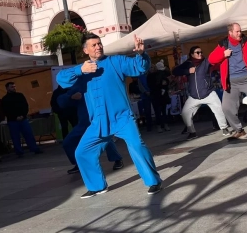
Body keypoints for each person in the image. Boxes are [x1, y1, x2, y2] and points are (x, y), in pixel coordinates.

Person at [57, 33, 162, 198]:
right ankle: (97, 186)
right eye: (94, 45)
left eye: (99, 44)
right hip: (98, 122)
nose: (98, 47)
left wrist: (141, 54)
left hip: (122, 118)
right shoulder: (82, 71)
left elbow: (139, 67)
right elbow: (61, 79)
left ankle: (154, 182)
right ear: (85, 50)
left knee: (137, 146)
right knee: (82, 152)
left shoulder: (116, 61)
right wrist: (80, 69)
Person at [58, 82, 124, 175]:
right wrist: (71, 97)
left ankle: (117, 159)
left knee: (105, 139)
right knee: (68, 142)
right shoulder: (79, 85)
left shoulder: (99, 83)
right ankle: (78, 164)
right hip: (84, 123)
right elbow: (61, 101)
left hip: (99, 121)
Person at [173, 46, 230, 140]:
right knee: (185, 113)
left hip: (208, 92)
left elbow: (216, 60)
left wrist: (224, 54)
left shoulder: (206, 61)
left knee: (218, 109)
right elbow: (175, 71)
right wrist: (187, 71)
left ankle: (224, 128)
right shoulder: (188, 63)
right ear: (192, 55)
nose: (200, 54)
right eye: (197, 52)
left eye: (201, 52)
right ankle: (192, 132)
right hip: (194, 96)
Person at [1, 82, 42, 156]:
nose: (14, 88)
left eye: (14, 86)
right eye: (12, 87)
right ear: (7, 88)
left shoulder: (20, 95)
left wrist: (23, 115)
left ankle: (34, 148)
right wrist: (15, 117)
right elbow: (6, 110)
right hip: (13, 120)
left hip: (23, 119)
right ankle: (19, 152)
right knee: (15, 137)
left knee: (29, 134)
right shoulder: (4, 99)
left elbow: (25, 105)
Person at [147, 61, 171, 133]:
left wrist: (163, 84)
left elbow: (166, 81)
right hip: (155, 95)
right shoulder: (149, 76)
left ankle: (165, 125)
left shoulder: (160, 74)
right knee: (157, 112)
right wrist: (160, 85)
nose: (151, 69)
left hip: (162, 96)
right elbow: (151, 86)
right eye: (150, 67)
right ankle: (159, 126)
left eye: (152, 67)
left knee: (164, 111)